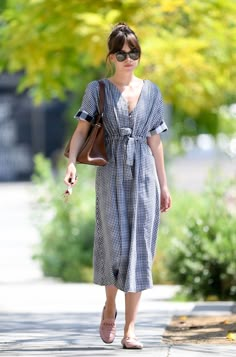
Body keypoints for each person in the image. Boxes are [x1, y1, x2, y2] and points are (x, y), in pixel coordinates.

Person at [64, 22, 171, 349]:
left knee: (140, 249)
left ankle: (131, 330)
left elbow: (155, 141)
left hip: (144, 176)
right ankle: (109, 306)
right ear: (111, 56)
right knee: (115, 246)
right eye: (122, 53)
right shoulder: (97, 89)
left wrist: (164, 186)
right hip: (110, 173)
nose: (129, 58)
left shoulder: (151, 91)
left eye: (134, 52)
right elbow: (83, 131)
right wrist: (70, 164)